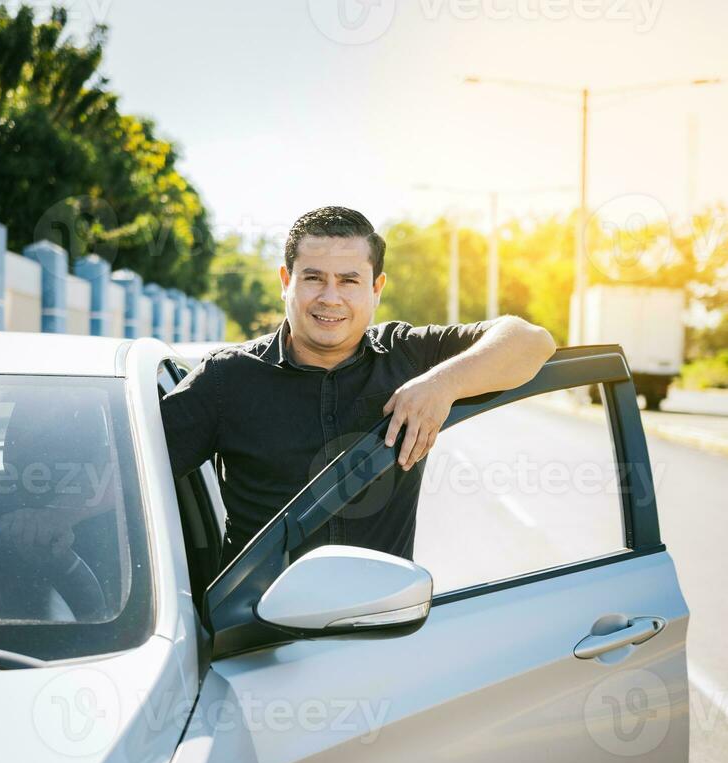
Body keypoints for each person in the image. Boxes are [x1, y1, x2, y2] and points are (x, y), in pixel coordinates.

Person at [159, 205, 556, 567]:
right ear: (286, 281)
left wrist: (440, 385)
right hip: (255, 636)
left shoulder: (407, 356)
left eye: (349, 281)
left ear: (376, 288)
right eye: (314, 278)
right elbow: (130, 481)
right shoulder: (226, 380)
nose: (331, 298)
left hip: (376, 634)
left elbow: (531, 342)